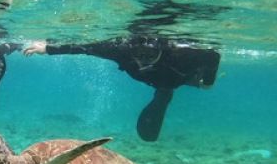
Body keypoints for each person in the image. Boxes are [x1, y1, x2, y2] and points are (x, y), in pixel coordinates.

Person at [24, 35, 220, 142]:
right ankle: (163, 95)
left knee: (177, 85)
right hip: (151, 81)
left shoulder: (180, 54)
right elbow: (85, 47)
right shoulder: (120, 50)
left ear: (161, 49)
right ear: (129, 49)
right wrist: (48, 48)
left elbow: (213, 55)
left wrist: (208, 81)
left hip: (180, 77)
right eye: (137, 53)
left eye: (149, 54)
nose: (142, 60)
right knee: (162, 92)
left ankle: (166, 93)